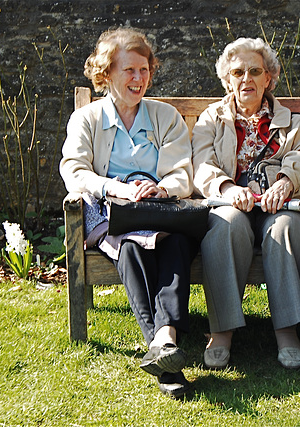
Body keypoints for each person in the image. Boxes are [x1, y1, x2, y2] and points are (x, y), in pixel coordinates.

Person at [60, 28, 196, 398]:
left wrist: (162, 187)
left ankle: (162, 341)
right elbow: (74, 170)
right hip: (112, 213)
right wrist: (116, 188)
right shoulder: (87, 119)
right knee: (131, 248)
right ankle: (164, 346)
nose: (139, 79)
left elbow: (182, 170)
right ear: (105, 74)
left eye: (144, 70)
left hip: (159, 210)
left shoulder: (164, 116)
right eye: (129, 71)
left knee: (177, 243)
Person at [192, 37, 300, 370]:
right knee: (227, 225)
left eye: (255, 71)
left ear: (269, 78)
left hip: (280, 206)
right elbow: (200, 161)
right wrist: (225, 187)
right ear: (227, 81)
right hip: (230, 205)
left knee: (283, 228)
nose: (246, 79)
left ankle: (286, 331)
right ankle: (221, 332)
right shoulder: (211, 119)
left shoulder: (295, 122)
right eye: (237, 72)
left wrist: (285, 182)